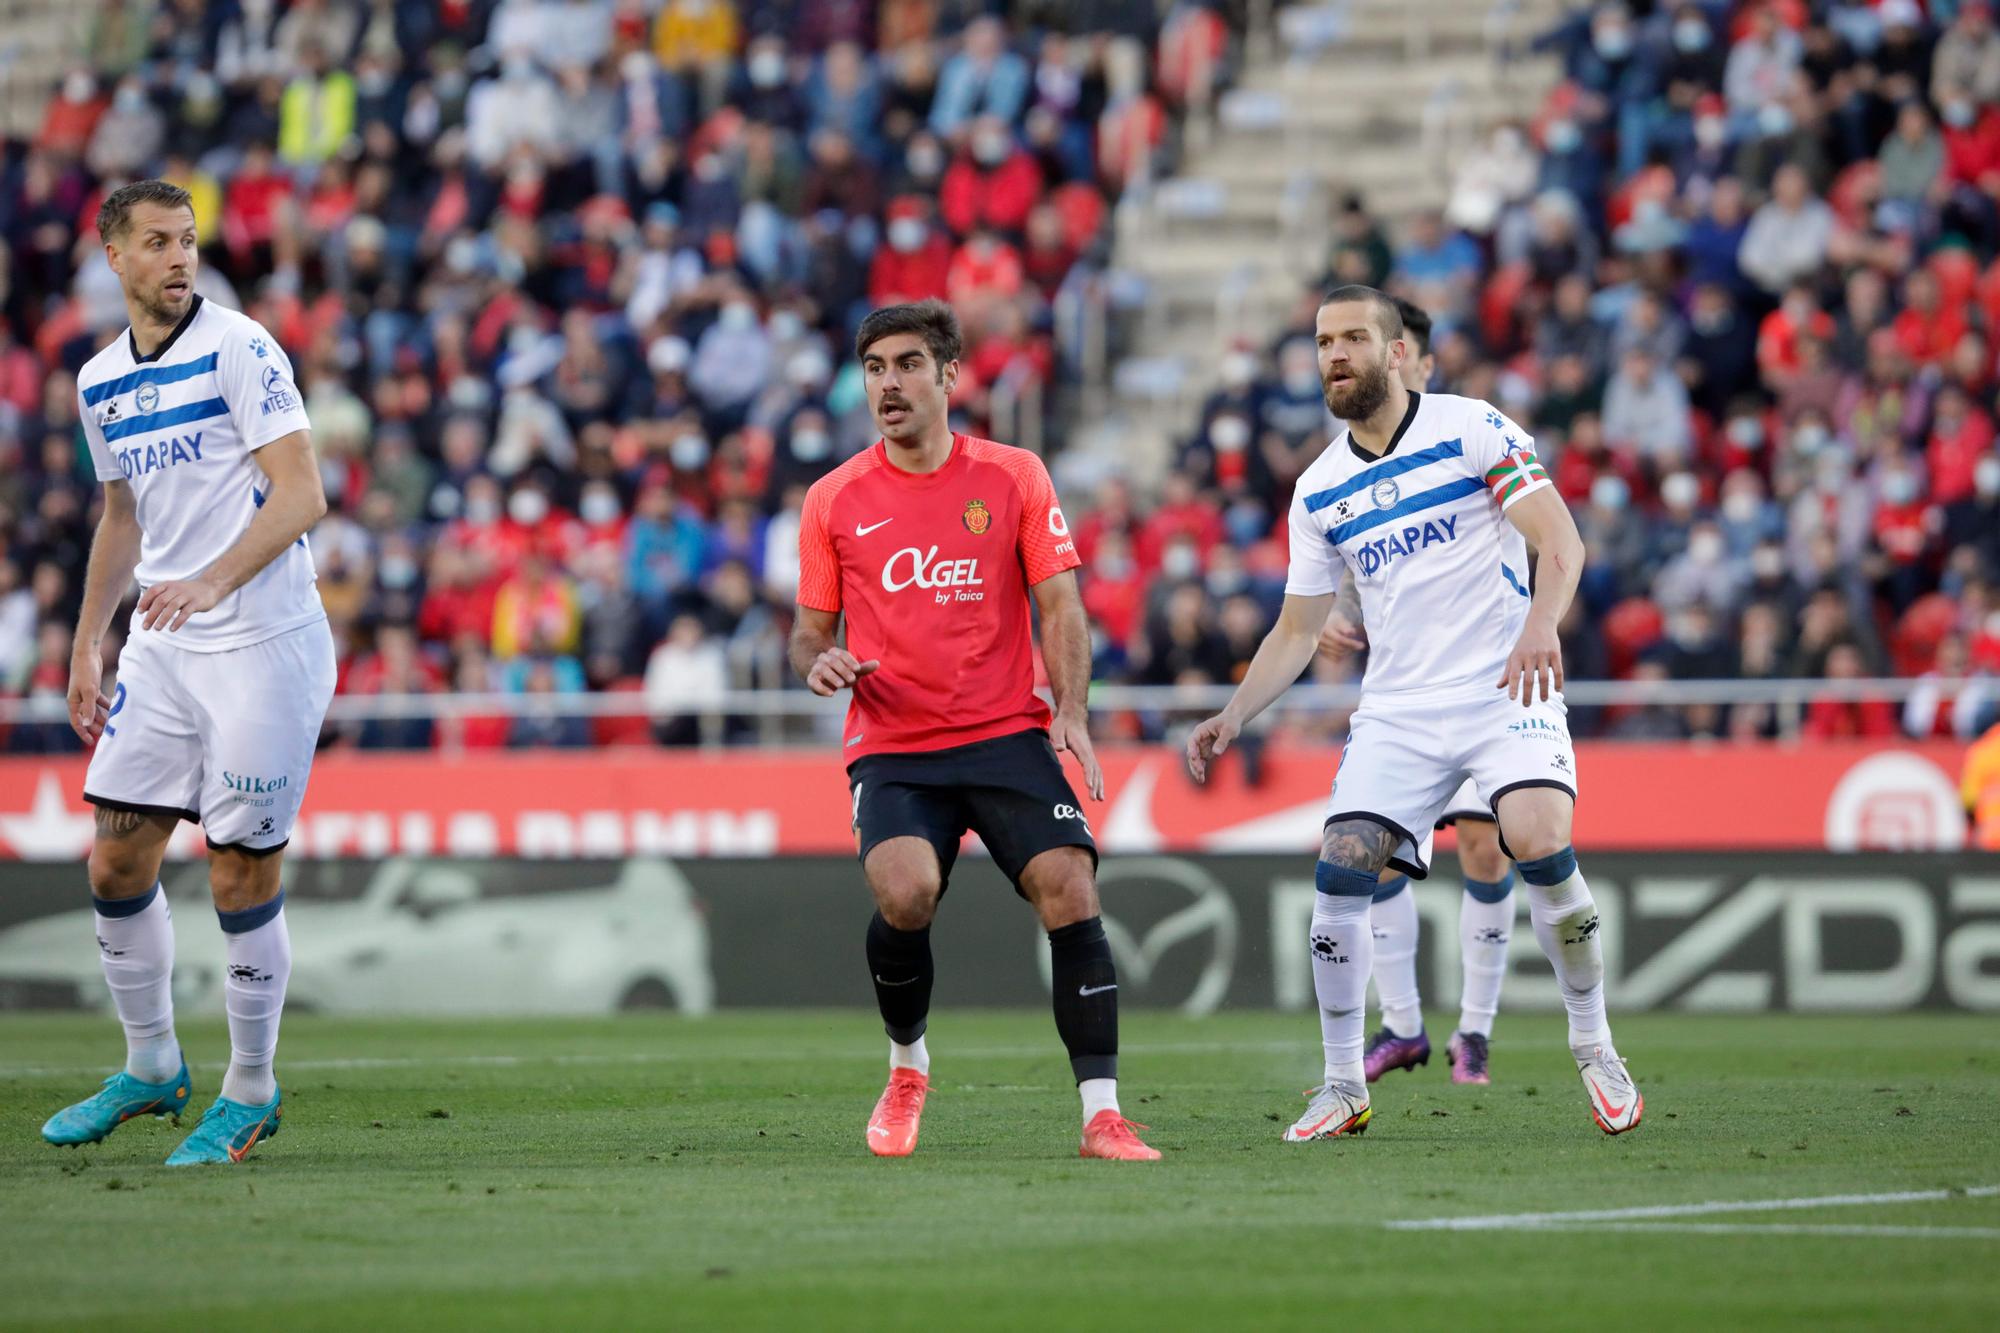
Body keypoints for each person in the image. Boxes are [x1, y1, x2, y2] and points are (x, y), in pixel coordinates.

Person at [1188, 285, 1640, 1142]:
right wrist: (1235, 711)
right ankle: (1341, 1083)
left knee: (1539, 837)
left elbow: (1563, 539)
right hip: (1397, 707)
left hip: (1503, 685)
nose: (1335, 355)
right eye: (1324, 342)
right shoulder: (1319, 489)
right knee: (1341, 870)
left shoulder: (1474, 428)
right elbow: (1298, 627)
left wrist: (1541, 621)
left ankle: (1595, 1045)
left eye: (1354, 338)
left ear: (1397, 352)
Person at [789, 299, 1157, 1162]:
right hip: (894, 743)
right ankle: (908, 1067)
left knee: (1070, 882)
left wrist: (1070, 708)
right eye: (875, 368)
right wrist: (818, 657)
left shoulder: (1014, 475)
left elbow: (1059, 602)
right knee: (906, 893)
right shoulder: (832, 499)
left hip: (1002, 731)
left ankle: (1102, 1114)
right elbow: (809, 626)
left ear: (950, 375)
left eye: (909, 364)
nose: (890, 383)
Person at [41, 180, 333, 1166]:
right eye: (157, 242)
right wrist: (91, 639)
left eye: (189, 240)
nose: (178, 258)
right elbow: (123, 519)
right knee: (116, 857)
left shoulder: (241, 347)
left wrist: (213, 579)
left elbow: (303, 494)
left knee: (238, 866)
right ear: (113, 257)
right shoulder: (97, 382)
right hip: (165, 640)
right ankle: (153, 1065)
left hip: (261, 636)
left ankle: (250, 1088)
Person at [1316, 298, 1517, 1087]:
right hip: (1403, 700)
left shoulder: (1470, 436)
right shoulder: (1347, 468)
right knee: (1382, 865)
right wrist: (1336, 610)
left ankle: (1477, 1028)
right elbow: (1373, 571)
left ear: (1413, 362)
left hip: (1483, 685)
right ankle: (1403, 1026)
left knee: (1482, 844)